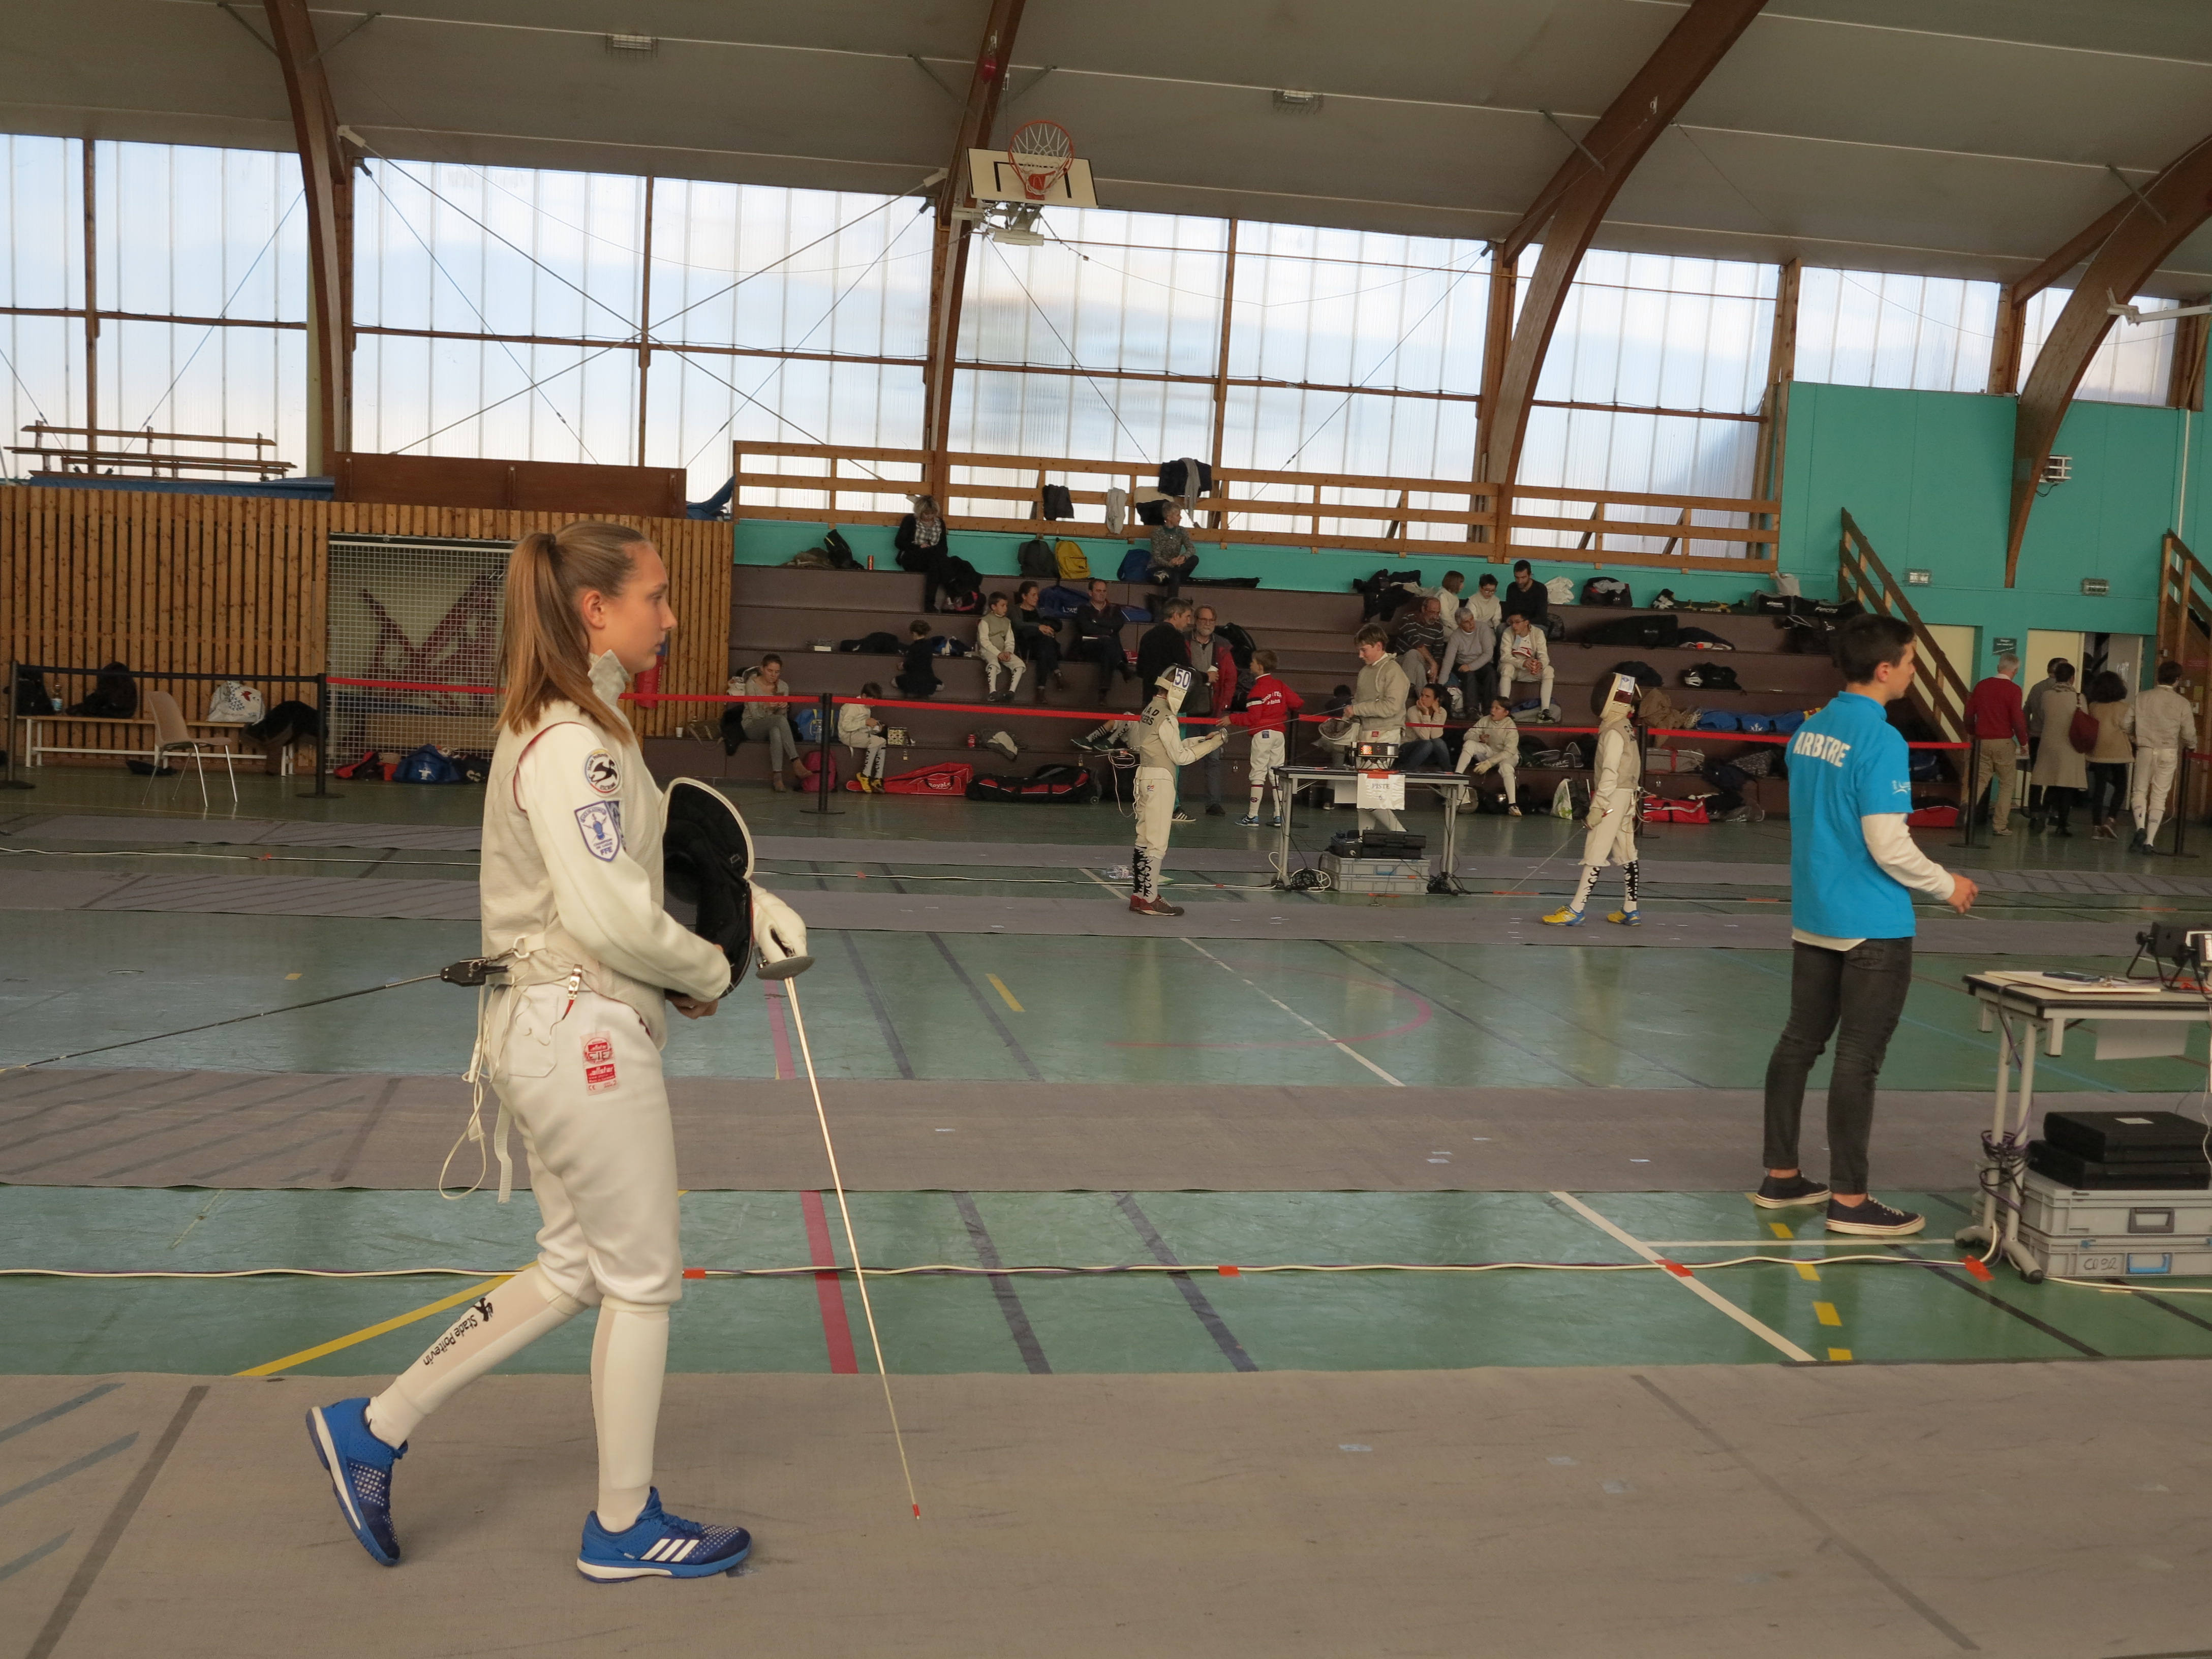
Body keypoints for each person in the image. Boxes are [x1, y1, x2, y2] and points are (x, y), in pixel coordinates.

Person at [306, 520, 809, 1580]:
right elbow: (609, 915)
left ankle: (374, 1427)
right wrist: (708, 971)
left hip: (559, 1030)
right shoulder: (572, 742)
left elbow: (640, 868)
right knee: (643, 1280)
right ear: (596, 609)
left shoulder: (594, 726)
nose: (670, 615)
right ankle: (623, 1526)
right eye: (655, 596)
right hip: (580, 1037)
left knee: (578, 1265)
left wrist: (748, 907)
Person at [1755, 612, 1978, 1238]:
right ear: (1884, 670)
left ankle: (1780, 1176)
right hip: (1871, 924)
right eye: (1909, 663)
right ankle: (1850, 1202)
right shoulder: (1881, 740)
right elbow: (1887, 844)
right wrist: (1946, 884)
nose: (1911, 673)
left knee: (1798, 1043)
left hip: (1815, 917)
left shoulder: (1808, 731)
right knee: (1858, 1059)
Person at [1543, 672, 1645, 928]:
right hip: (1627, 795)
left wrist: (1598, 807)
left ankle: (1575, 910)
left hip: (1614, 795)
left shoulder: (1614, 732)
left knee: (1596, 849)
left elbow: (1610, 772)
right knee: (1626, 850)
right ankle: (1631, 910)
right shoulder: (1625, 726)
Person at [1129, 666, 1225, 917]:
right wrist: (1216, 743)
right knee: (1157, 842)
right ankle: (1151, 899)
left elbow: (1171, 745)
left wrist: (1204, 740)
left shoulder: (1151, 709)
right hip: (1160, 781)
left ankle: (1139, 895)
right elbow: (1181, 757)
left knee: (1144, 839)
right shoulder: (1168, 717)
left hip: (1145, 777)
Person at [1346, 624, 1411, 834]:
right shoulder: (1365, 671)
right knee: (1363, 793)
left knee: (1372, 793)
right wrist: (1351, 714)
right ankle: (1364, 839)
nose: (1360, 655)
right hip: (1365, 735)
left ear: (1379, 646)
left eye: (1364, 650)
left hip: (1386, 736)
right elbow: (1359, 703)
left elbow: (1391, 707)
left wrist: (1358, 709)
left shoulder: (1394, 672)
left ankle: (1400, 834)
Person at [1230, 648, 1304, 827]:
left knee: (1258, 773)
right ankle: (1279, 816)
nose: (1250, 665)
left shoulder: (1256, 691)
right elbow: (1298, 703)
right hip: (1279, 735)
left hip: (1262, 735)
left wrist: (1231, 719)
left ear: (1260, 667)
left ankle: (1253, 816)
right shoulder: (1280, 685)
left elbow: (1252, 718)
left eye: (1253, 662)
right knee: (1276, 774)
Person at [1962, 654, 2028, 836]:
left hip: (1982, 741)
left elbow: (1969, 714)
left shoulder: (1982, 686)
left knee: (1980, 781)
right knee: (2007, 784)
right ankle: (2000, 826)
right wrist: (2024, 742)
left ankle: (1966, 808)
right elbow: (2017, 719)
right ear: (2015, 671)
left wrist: (1972, 732)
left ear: (1999, 667)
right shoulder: (2014, 689)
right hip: (2003, 741)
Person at [2132, 660, 2193, 853]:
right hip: (2168, 751)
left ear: (2158, 676)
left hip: (2145, 749)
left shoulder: (2142, 697)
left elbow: (2126, 723)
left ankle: (2140, 827)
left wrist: (2135, 738)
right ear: (2177, 680)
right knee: (2159, 796)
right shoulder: (2182, 703)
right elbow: (2189, 733)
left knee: (2139, 791)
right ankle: (2149, 842)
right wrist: (2192, 745)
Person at [1181, 604, 1237, 816]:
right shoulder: (1183, 641)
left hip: (1213, 712)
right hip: (1186, 710)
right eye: (1204, 620)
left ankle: (1213, 802)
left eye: (1211, 621)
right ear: (1196, 621)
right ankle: (1175, 802)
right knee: (1182, 757)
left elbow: (1230, 678)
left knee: (1214, 759)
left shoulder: (1222, 646)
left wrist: (1224, 707)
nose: (1207, 624)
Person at [721, 654, 801, 792]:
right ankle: (796, 761)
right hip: (752, 725)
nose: (773, 675)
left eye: (777, 672)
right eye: (770, 671)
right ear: (762, 669)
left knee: (776, 731)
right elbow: (755, 715)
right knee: (778, 722)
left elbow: (782, 717)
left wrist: (783, 707)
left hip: (774, 724)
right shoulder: (751, 684)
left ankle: (778, 777)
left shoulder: (783, 686)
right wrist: (766, 706)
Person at [2028, 661, 2085, 835]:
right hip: (2070, 745)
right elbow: (2085, 719)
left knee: (2052, 782)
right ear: (2072, 678)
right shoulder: (2079, 698)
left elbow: (2043, 715)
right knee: (2067, 785)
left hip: (2048, 744)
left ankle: (2043, 814)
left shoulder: (2046, 695)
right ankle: (2062, 825)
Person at [2082, 669, 2133, 840]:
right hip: (2118, 751)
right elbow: (2128, 728)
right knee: (2121, 785)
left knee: (2099, 789)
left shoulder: (2094, 706)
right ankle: (2111, 819)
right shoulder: (2124, 708)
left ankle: (2096, 827)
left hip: (2098, 751)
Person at [1457, 695, 1521, 815]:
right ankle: (1457, 778)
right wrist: (1479, 737)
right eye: (1492, 707)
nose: (1493, 711)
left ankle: (1513, 805)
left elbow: (1509, 751)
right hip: (1490, 752)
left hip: (1508, 756)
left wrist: (1489, 763)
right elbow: (1467, 736)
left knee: (1506, 768)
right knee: (1470, 744)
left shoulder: (1511, 726)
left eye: (1497, 708)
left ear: (1506, 713)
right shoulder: (1485, 720)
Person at [1070, 578, 1130, 699]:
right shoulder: (1083, 609)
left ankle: (1103, 691)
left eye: (1104, 591)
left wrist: (1096, 621)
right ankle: (1121, 667)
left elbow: (1118, 624)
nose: (1102, 594)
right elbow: (1086, 628)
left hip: (1108, 649)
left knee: (1107, 649)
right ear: (1090, 593)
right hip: (1089, 647)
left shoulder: (1114, 609)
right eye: (1098, 591)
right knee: (1108, 641)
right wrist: (1109, 631)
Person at [2022, 656, 2067, 819]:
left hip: (2036, 736)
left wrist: (2027, 730)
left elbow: (2026, 710)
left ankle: (2035, 809)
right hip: (2057, 738)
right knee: (2056, 775)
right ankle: (2049, 807)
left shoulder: (2037, 688)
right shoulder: (2064, 691)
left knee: (2037, 774)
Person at [894, 494, 951, 611]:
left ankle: (929, 604)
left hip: (933, 559)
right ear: (920, 512)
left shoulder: (940, 523)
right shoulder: (910, 520)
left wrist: (933, 550)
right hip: (913, 557)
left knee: (950, 562)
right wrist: (919, 547)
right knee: (937, 557)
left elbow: (944, 548)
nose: (929, 517)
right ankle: (951, 594)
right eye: (926, 514)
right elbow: (899, 543)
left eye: (932, 513)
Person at [1438, 606, 1496, 716]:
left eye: (1472, 619)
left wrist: (1471, 666)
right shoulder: (1455, 637)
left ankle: (1491, 708)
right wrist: (1440, 685)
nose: (1471, 623)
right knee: (1469, 675)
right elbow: (1448, 661)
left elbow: (1488, 653)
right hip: (1462, 664)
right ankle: (1471, 709)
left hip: (1482, 663)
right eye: (1467, 622)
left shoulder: (1483, 627)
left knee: (1491, 673)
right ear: (1460, 625)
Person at [1012, 579, 1063, 699]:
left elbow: (1057, 625)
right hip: (1026, 645)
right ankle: (1057, 673)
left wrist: (1048, 629)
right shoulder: (1015, 610)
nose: (1037, 598)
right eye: (1033, 595)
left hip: (1042, 646)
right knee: (1045, 645)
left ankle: (1041, 690)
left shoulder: (1040, 611)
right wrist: (1038, 627)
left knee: (1044, 649)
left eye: (1037, 595)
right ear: (1024, 596)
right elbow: (1018, 625)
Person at [1500, 612, 1555, 720]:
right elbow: (1504, 657)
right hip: (1514, 669)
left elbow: (1544, 656)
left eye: (1517, 622)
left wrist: (1540, 664)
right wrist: (1522, 663)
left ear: (1526, 622)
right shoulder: (1508, 632)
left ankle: (1545, 710)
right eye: (1512, 623)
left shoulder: (1537, 633)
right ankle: (1504, 708)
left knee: (1549, 670)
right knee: (1507, 667)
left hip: (1528, 671)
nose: (1514, 626)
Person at [839, 682, 890, 791]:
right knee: (876, 741)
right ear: (864, 696)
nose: (873, 705)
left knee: (882, 741)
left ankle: (877, 778)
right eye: (872, 702)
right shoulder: (852, 706)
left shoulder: (866, 708)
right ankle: (865, 775)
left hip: (858, 734)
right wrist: (865, 722)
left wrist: (875, 728)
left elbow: (862, 727)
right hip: (847, 736)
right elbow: (846, 726)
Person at [976, 592, 1026, 704]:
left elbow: (1010, 640)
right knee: (993, 663)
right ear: (994, 607)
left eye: (1006, 605)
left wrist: (1008, 652)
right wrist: (998, 653)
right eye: (1002, 606)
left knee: (1019, 664)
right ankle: (992, 693)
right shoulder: (985, 621)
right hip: (988, 650)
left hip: (1003, 651)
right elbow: (984, 641)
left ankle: (1011, 693)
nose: (1006, 608)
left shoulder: (1007, 622)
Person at [1392, 596, 1449, 690]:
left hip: (1425, 662)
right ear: (1423, 609)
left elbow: (1438, 652)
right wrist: (1433, 663)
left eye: (1438, 613)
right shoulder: (1409, 619)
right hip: (1402, 659)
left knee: (1419, 666)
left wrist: (1435, 671)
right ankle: (1411, 690)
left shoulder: (1438, 627)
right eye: (1432, 612)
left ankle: (1409, 692)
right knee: (1414, 655)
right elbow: (1416, 643)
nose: (1435, 617)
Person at [1147, 503, 1201, 597]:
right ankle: (1173, 604)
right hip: (1158, 571)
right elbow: (1156, 556)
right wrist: (1169, 564)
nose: (1181, 518)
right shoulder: (1157, 532)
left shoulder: (1181, 531)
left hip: (1175, 567)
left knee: (1194, 559)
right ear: (1169, 518)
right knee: (1175, 575)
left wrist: (1184, 557)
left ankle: (1168, 572)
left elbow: (1191, 548)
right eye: (1178, 515)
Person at [1399, 684, 1452, 772]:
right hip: (1408, 747)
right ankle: (1406, 771)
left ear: (1436, 700)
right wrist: (1426, 714)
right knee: (1427, 744)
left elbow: (1435, 736)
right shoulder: (1413, 711)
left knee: (1439, 742)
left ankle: (1448, 774)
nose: (1423, 699)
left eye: (1427, 697)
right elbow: (1425, 737)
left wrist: (1437, 713)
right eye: (1422, 695)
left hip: (1428, 751)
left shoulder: (1442, 712)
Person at [895, 619, 940, 700]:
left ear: (914, 633)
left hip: (915, 679)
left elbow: (912, 664)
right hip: (929, 679)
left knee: (894, 682)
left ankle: (912, 695)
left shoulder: (914, 648)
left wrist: (903, 665)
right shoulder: (929, 645)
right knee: (939, 685)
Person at [1499, 559, 1548, 627]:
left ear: (1530, 575)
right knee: (1501, 627)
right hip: (1515, 623)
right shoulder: (1512, 587)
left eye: (1523, 578)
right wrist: (1509, 619)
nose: (1520, 582)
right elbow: (1508, 611)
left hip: (1534, 624)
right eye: (1517, 578)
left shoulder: (1540, 589)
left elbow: (1541, 617)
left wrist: (1523, 624)